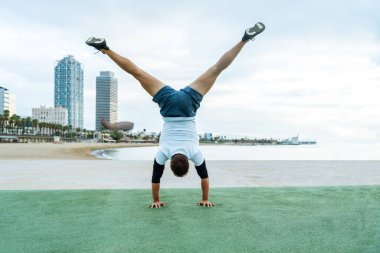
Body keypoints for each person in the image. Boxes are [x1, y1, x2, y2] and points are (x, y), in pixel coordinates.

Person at [86, 22, 265, 208]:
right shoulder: (163, 154)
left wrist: (206, 199)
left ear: (187, 162)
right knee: (137, 73)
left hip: (188, 104)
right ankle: (105, 48)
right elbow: (156, 179)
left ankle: (244, 39)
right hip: (168, 105)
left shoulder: (195, 154)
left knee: (217, 68)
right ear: (171, 162)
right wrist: (155, 201)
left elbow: (204, 177)